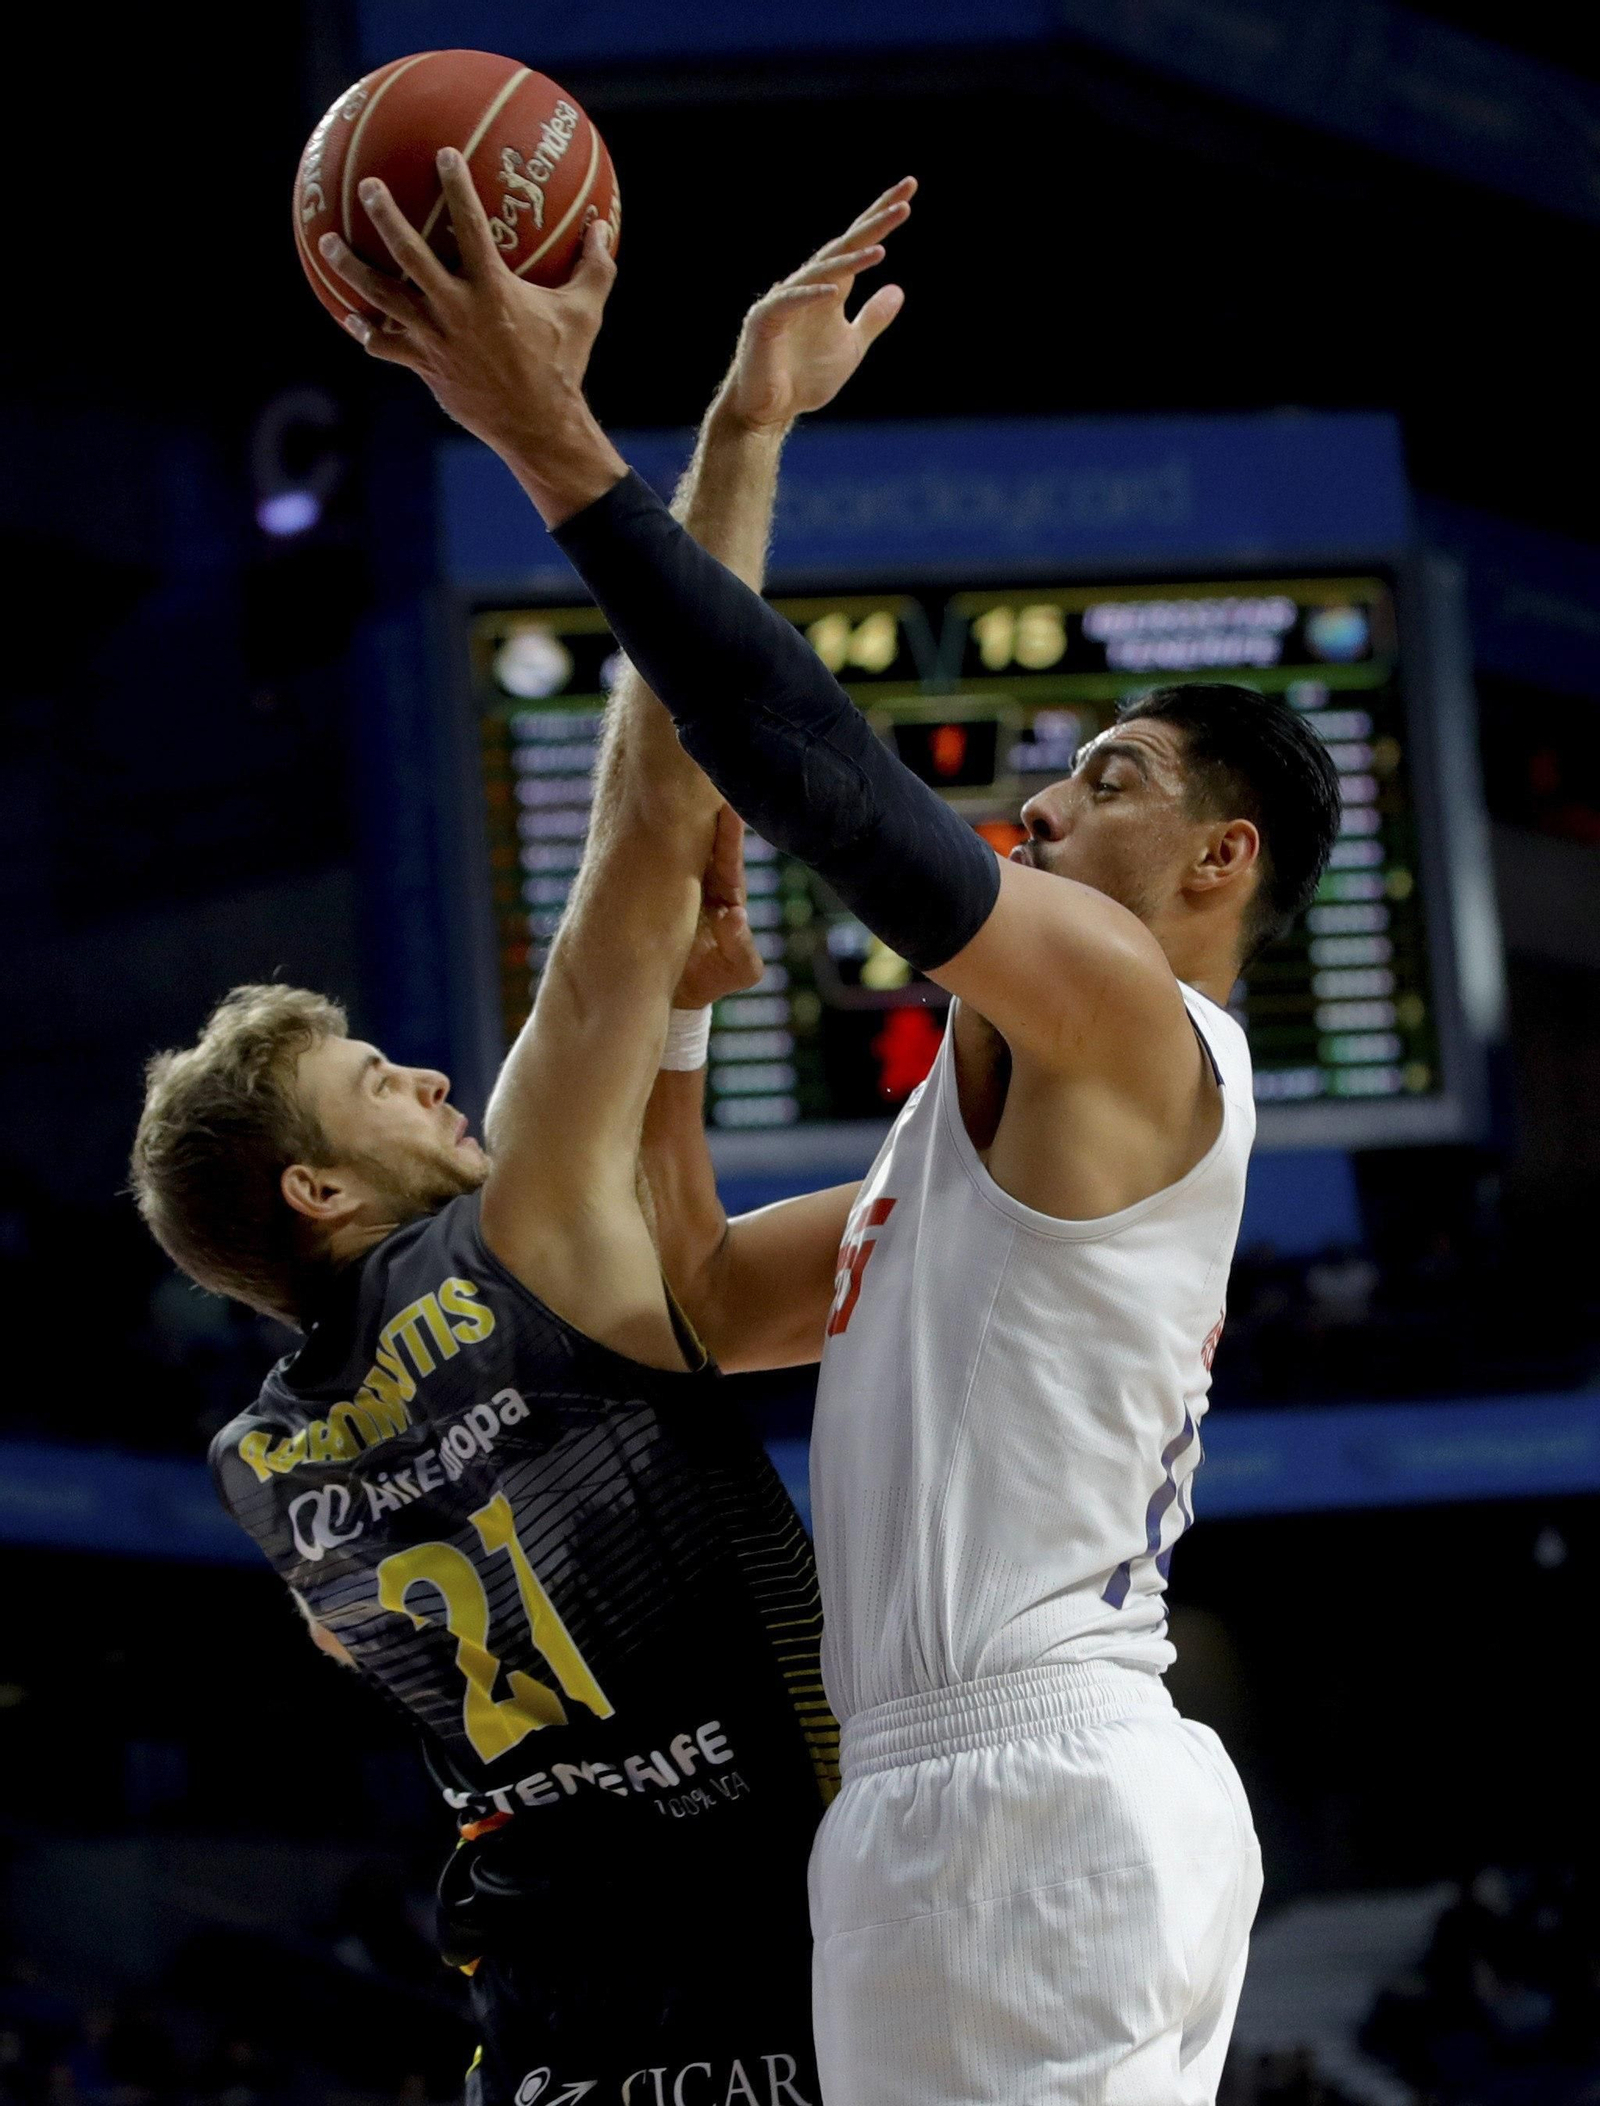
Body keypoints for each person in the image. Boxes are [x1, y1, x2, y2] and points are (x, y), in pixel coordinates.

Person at [332, 151, 1342, 2103]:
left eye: (1108, 777)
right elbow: (694, 1305)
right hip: (978, 1804)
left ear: (1217, 860)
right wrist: (685, 1029)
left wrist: (552, 439)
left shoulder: (1139, 1011)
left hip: (1024, 1792)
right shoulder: (996, 1138)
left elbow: (820, 772)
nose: (1044, 807)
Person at [129, 183, 914, 2106]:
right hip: (786, 2006)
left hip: (553, 2037)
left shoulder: (263, 1469)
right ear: (318, 1189)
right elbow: (649, 805)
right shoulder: (513, 1243)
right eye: (371, 1082)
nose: (426, 1076)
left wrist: (682, 1041)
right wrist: (741, 437)